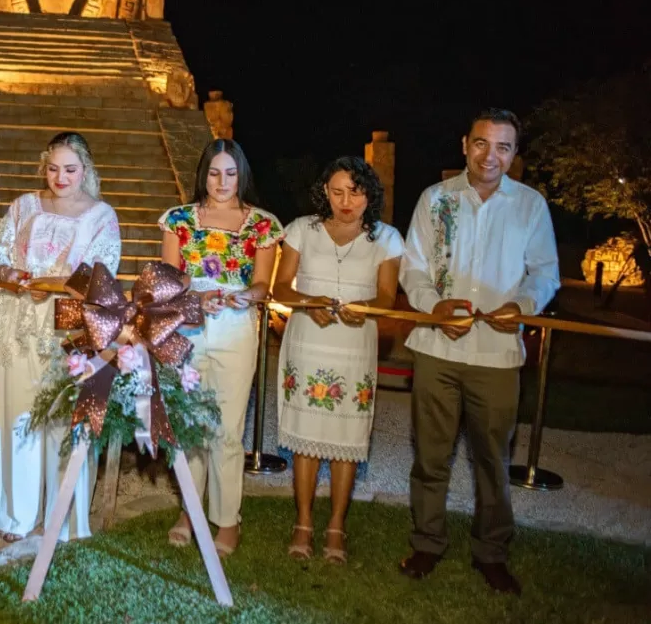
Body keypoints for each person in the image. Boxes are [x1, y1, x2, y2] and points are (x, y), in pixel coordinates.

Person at [399, 109, 559, 595]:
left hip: (495, 354)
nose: (492, 155)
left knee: (491, 460)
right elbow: (413, 269)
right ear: (465, 144)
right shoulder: (435, 199)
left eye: (504, 146)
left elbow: (545, 271)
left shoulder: (530, 206)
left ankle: (491, 553)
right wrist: (434, 306)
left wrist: (523, 304)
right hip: (436, 350)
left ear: (514, 154)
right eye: (483, 143)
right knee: (431, 455)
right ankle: (427, 543)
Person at [0, 131, 121, 543]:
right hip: (20, 321)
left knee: (65, 420)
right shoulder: (23, 205)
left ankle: (61, 517)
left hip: (68, 326)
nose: (60, 177)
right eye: (53, 168)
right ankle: (16, 514)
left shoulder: (101, 215)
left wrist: (54, 281)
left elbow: (100, 274)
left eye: (70, 169)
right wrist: (5, 272)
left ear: (86, 171)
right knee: (18, 417)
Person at [272, 157, 403, 563]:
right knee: (305, 437)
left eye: (356, 192)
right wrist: (308, 302)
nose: (346, 201)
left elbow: (386, 296)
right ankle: (304, 522)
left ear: (369, 194)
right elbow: (280, 287)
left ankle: (336, 527)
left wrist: (363, 308)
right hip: (307, 342)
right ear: (324, 192)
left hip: (354, 345)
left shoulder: (386, 237)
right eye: (337, 191)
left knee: (346, 440)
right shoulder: (301, 230)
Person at [159, 138, 282, 557]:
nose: (222, 181)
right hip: (190, 327)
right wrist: (195, 299)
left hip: (236, 329)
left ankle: (228, 519)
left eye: (230, 173)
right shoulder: (179, 220)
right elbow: (167, 282)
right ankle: (189, 511)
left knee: (227, 429)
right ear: (203, 174)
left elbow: (264, 285)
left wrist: (249, 296)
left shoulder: (262, 224)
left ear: (241, 175)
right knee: (190, 423)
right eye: (214, 172)